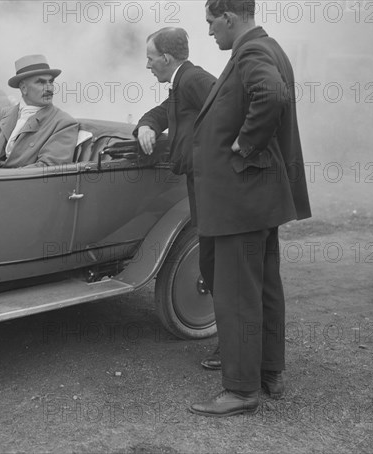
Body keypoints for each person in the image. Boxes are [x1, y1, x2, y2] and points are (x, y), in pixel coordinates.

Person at [189, 0, 311, 417]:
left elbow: (271, 94)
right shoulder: (267, 46)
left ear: (228, 17)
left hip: (241, 198)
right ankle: (268, 371)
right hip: (258, 197)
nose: (209, 33)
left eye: (210, 23)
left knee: (237, 293)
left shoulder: (252, 51)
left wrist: (246, 143)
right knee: (263, 287)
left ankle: (241, 390)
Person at [133, 27, 220, 368]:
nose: (148, 65)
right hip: (201, 182)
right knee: (212, 262)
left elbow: (230, 116)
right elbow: (163, 110)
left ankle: (231, 348)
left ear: (166, 58)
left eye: (150, 59)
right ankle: (229, 346)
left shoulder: (196, 79)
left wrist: (205, 156)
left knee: (219, 265)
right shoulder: (181, 82)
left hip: (212, 184)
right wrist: (146, 126)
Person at [0, 54, 78, 168]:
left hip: (20, 183)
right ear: (24, 88)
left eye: (51, 82)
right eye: (41, 82)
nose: (49, 88)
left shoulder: (63, 123)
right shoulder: (2, 115)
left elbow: (48, 169)